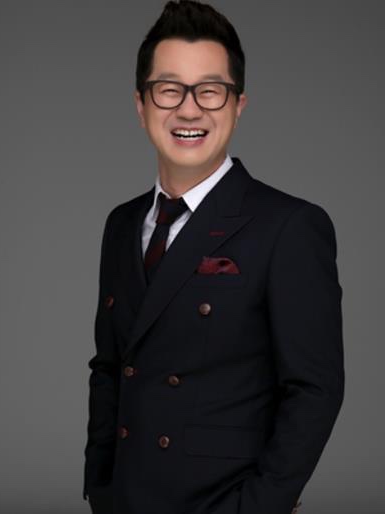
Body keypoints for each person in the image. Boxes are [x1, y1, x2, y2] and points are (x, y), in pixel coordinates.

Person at [82, 1, 345, 513]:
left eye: (210, 90)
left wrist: (261, 506)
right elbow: (109, 367)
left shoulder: (289, 226)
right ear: (141, 105)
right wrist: (100, 482)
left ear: (238, 104)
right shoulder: (122, 224)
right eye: (168, 89)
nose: (188, 110)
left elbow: (314, 389)